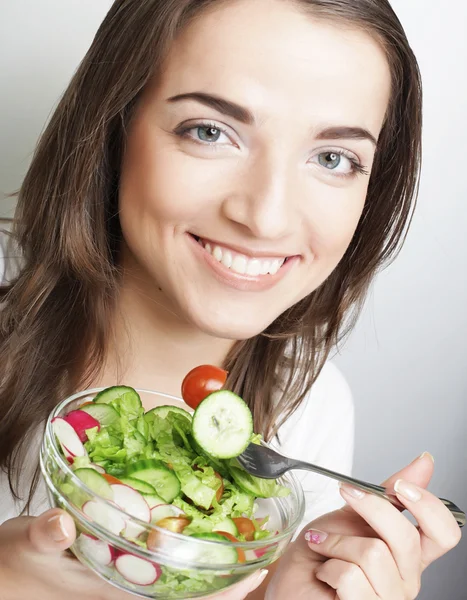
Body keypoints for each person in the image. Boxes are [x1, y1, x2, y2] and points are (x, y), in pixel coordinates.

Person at [0, 0, 462, 598]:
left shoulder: (311, 407)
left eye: (333, 158)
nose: (265, 218)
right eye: (211, 131)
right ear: (114, 125)